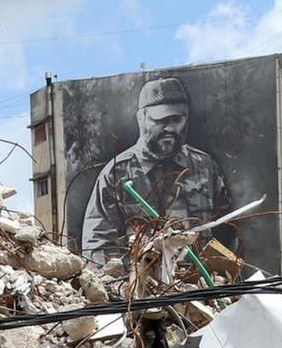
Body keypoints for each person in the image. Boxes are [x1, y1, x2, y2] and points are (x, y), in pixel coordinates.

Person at [80, 76, 233, 260]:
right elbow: (97, 246)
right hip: (140, 285)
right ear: (141, 118)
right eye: (160, 120)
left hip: (200, 285)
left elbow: (227, 233)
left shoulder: (206, 168)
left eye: (176, 120)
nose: (169, 128)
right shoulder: (115, 175)